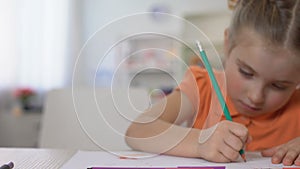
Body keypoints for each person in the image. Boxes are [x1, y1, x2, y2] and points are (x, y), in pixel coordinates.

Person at [125, 0, 300, 166]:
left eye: (279, 86)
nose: (256, 96)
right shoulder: (202, 87)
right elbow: (138, 130)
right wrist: (199, 143)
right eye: (246, 73)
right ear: (227, 42)